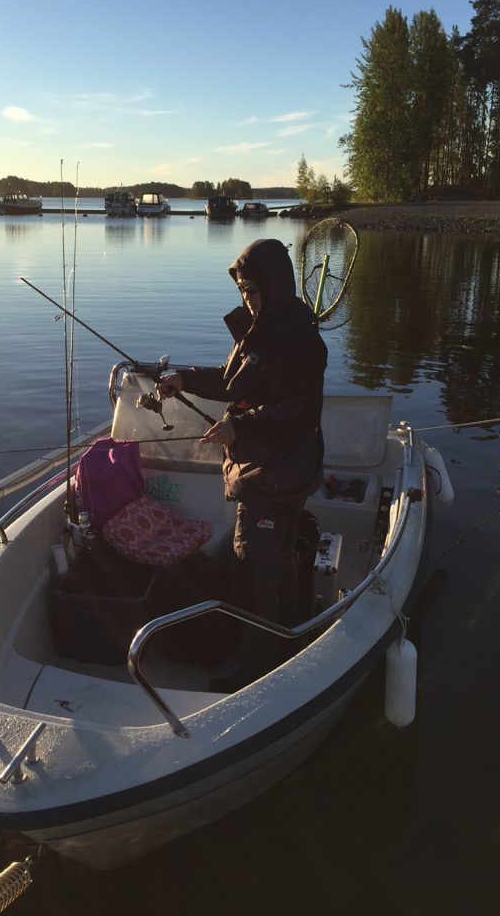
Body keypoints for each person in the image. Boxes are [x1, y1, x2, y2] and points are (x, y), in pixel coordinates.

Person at [159, 238, 327, 690]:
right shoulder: (261, 330)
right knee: (273, 562)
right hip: (261, 466)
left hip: (278, 472)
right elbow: (233, 384)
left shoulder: (300, 341)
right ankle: (288, 636)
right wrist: (186, 379)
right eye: (241, 290)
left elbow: (300, 412)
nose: (246, 298)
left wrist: (241, 428)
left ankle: (257, 671)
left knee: (254, 566)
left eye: (252, 289)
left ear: (274, 286)